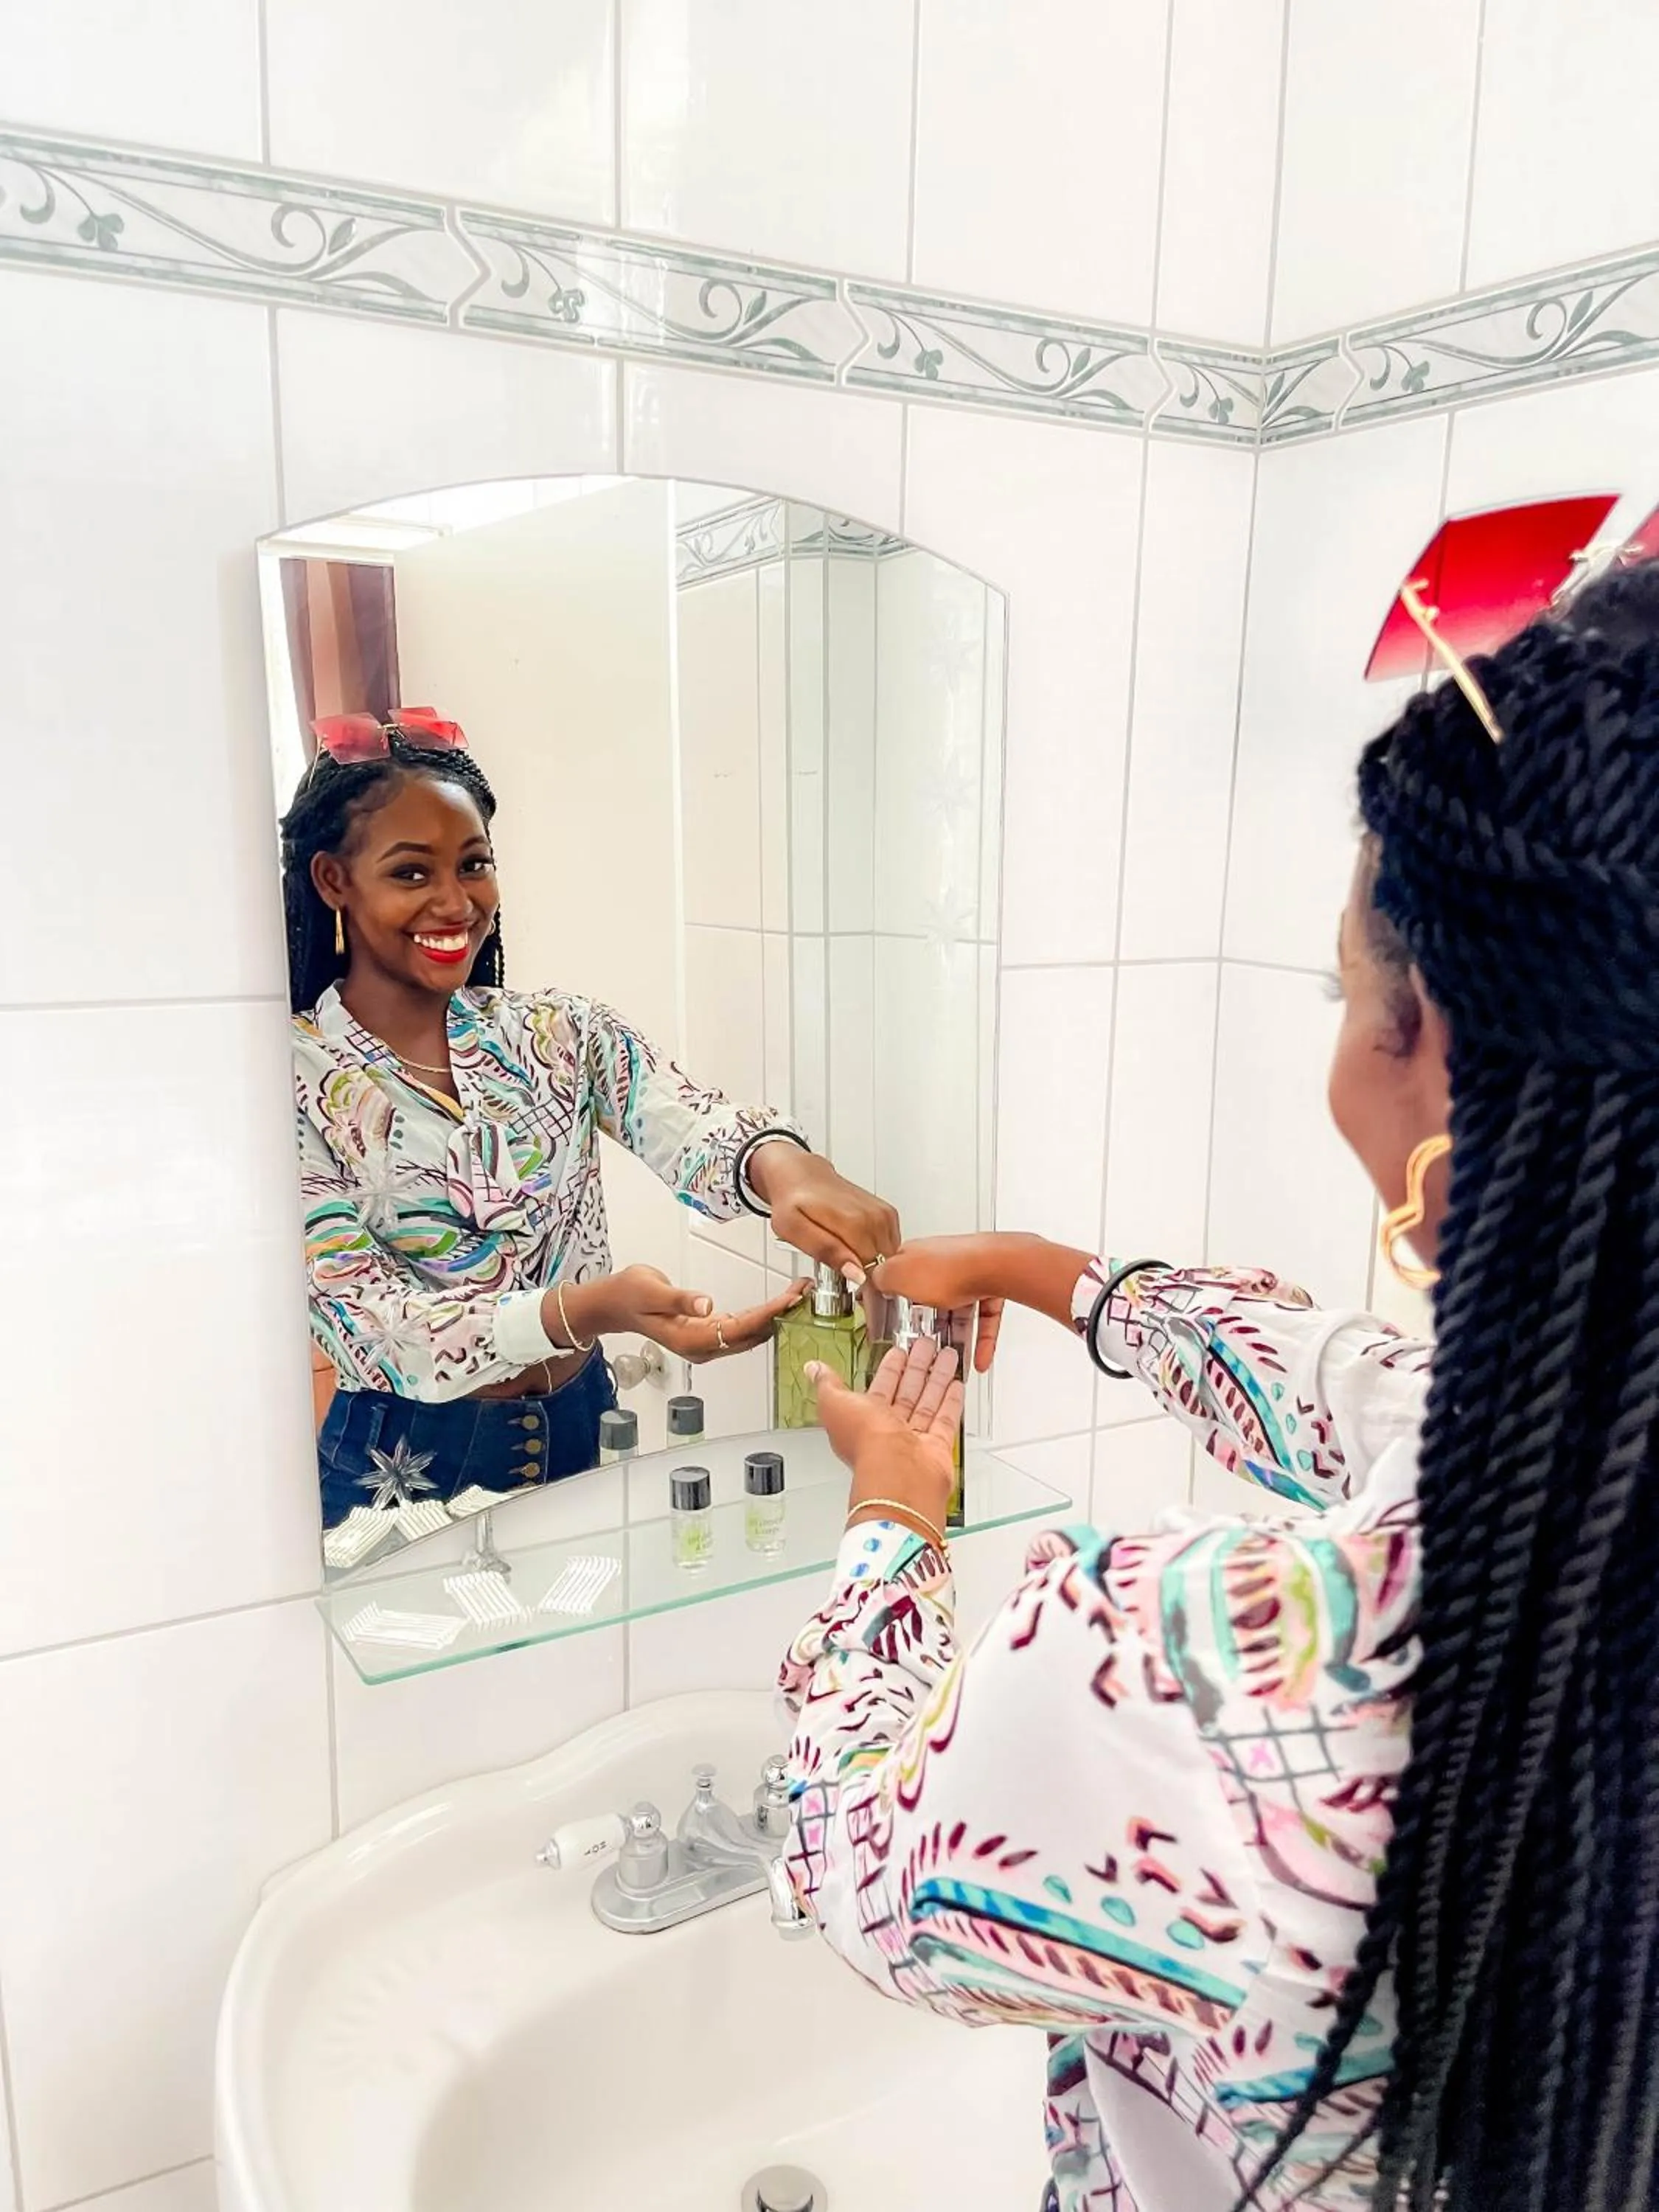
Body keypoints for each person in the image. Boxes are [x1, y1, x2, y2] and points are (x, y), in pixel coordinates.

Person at [776, 559, 1659, 2212]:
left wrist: (894, 1518)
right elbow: (1374, 1395)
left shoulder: (1191, 1678)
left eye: (1346, 984)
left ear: (1442, 1049)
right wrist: (1058, 1277)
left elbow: (861, 1877)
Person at [280, 712, 899, 1531]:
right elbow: (367, 1325)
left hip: (585, 1424)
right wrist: (580, 1310)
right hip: (406, 1459)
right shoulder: (287, 1080)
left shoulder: (555, 1033)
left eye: (474, 865)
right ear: (333, 881)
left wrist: (784, 1168)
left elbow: (692, 1123)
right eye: (411, 873)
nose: (455, 901)